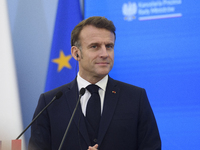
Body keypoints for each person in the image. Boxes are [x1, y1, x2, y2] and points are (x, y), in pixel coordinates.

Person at [28, 16, 161, 150]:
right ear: (76, 53)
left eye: (109, 46)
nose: (104, 54)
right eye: (94, 46)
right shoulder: (50, 102)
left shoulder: (135, 98)